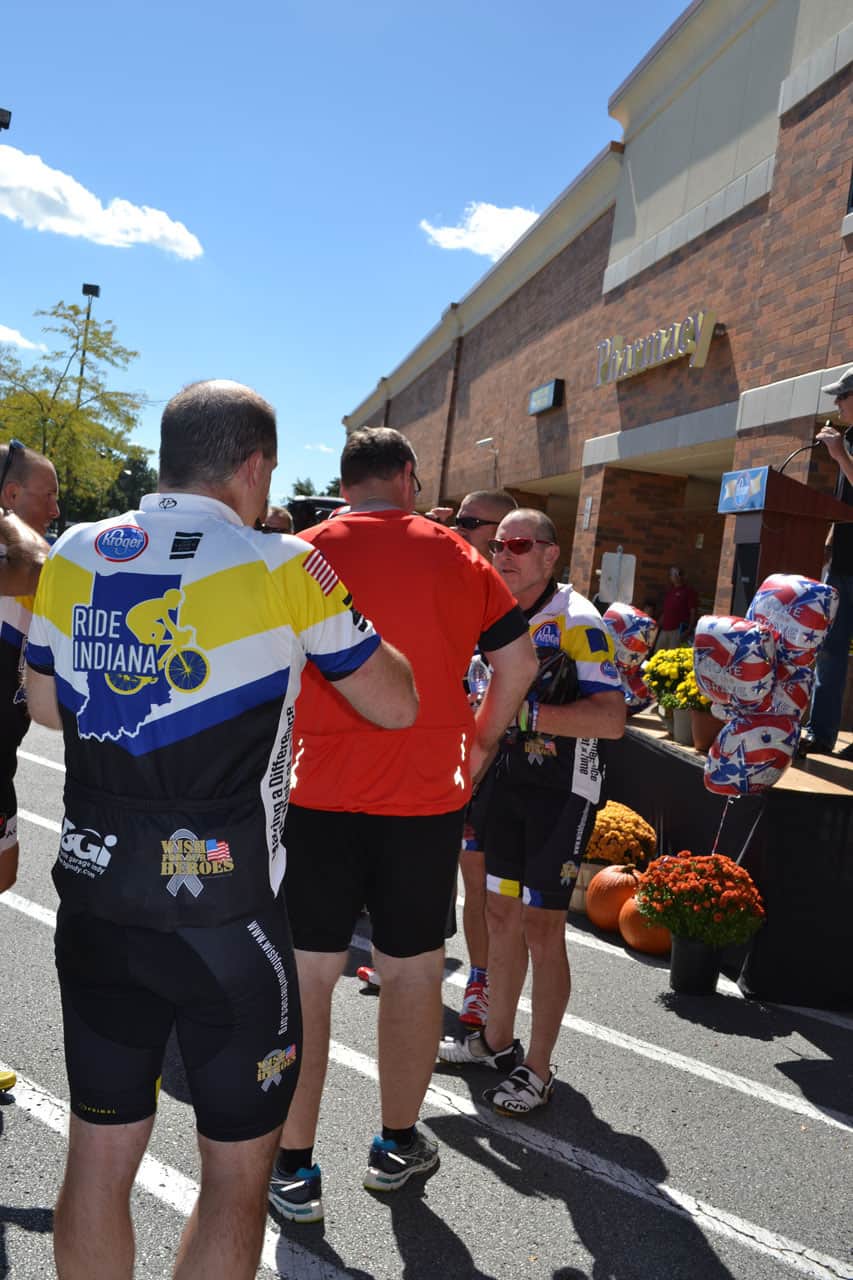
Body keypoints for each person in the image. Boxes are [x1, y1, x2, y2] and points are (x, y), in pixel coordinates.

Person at [24, 381, 418, 1280]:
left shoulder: (75, 551)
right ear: (253, 466)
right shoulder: (285, 563)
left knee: (97, 1156)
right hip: (227, 919)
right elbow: (394, 703)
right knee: (238, 1181)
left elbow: (45, 707)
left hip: (96, 900)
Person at [268, 429, 537, 1223]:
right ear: (409, 479)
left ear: (345, 481)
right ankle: (394, 1143)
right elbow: (518, 664)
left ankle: (294, 1165)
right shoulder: (455, 553)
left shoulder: (301, 551)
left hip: (318, 793)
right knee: (414, 972)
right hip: (424, 797)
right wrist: (478, 747)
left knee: (309, 976)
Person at [438, 508, 625, 1116]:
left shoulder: (577, 618)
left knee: (543, 929)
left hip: (561, 794)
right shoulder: (494, 611)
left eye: (519, 544)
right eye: (498, 544)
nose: (504, 554)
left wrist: (527, 715)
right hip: (506, 787)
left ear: (550, 554)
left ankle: (538, 1069)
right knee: (499, 913)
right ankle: (496, 1042)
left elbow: (612, 719)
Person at [0, 445, 58, 1097]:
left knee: (6, 874)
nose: (58, 508)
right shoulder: (16, 557)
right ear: (11, 497)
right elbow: (42, 568)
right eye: (47, 494)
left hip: (3, 758)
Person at [449, 488, 518, 1028]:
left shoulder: (541, 603)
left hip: (522, 777)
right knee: (474, 887)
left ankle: (507, 1016)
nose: (461, 529)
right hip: (465, 770)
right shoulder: (459, 587)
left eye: (473, 522)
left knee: (508, 903)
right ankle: (480, 980)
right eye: (459, 520)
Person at [799, 365, 853, 760]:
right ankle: (819, 734)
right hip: (843, 565)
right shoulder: (848, 440)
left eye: (842, 396)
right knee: (830, 651)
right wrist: (828, 543)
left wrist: (840, 455)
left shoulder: (844, 448)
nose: (837, 404)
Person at [655, 566, 698, 649]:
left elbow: (693, 612)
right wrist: (657, 624)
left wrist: (689, 630)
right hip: (664, 629)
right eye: (672, 574)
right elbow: (666, 611)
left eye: (676, 573)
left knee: (673, 655)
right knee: (658, 653)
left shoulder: (688, 592)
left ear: (682, 576)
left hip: (677, 630)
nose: (674, 576)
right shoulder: (670, 591)